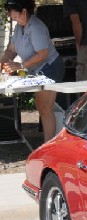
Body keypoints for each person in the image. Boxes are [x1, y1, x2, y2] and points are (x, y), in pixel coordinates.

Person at [0, 0, 65, 143]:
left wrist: (21, 65)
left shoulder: (36, 27)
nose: (14, 20)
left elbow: (42, 53)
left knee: (45, 107)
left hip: (50, 67)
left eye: (15, 17)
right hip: (38, 69)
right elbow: (11, 50)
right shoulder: (19, 26)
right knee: (41, 106)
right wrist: (2, 63)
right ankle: (50, 143)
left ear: (24, 11)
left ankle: (48, 145)